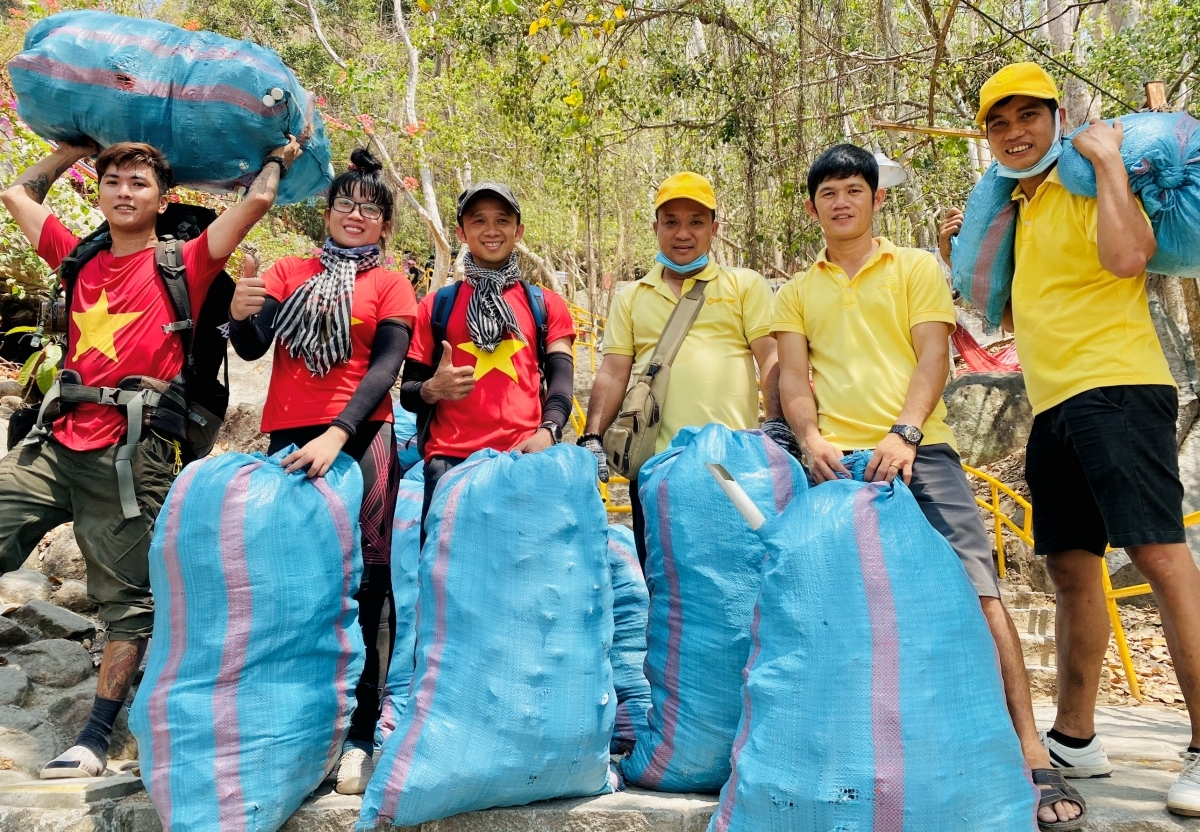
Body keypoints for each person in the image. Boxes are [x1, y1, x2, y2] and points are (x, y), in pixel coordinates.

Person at [775, 142, 1084, 830]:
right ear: (813, 208)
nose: (842, 202)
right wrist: (811, 439)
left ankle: (1031, 753)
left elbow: (933, 355)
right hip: (835, 467)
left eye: (854, 190)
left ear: (875, 199)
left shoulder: (914, 267)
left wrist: (906, 432)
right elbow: (793, 379)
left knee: (980, 592)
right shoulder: (795, 292)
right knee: (825, 612)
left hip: (922, 453)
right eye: (828, 194)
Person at [941, 62, 1200, 818]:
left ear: (1058, 118)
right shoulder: (1016, 209)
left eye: (1029, 115)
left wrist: (1112, 161)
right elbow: (1024, 318)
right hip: (1054, 405)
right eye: (999, 121)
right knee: (1071, 570)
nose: (1015, 132)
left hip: (1118, 388)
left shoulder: (1089, 180)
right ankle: (1077, 737)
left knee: (1159, 556)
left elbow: (1128, 259)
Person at [0, 136, 300, 778]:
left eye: (139, 183)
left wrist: (280, 155)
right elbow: (16, 193)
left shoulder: (186, 261)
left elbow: (261, 200)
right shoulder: (77, 257)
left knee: (128, 602)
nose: (124, 192)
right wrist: (71, 149)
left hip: (132, 455)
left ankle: (95, 738)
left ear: (161, 200)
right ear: (100, 191)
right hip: (55, 440)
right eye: (112, 181)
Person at [226, 148, 417, 794]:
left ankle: (360, 736)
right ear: (326, 213)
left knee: (369, 585)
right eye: (345, 204)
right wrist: (242, 309)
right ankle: (306, 732)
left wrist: (340, 432)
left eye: (370, 208)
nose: (355, 214)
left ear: (386, 225)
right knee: (296, 583)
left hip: (363, 440)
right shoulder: (287, 271)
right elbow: (252, 344)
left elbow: (386, 367)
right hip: (288, 440)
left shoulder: (390, 285)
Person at [578, 172, 786, 568]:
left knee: (738, 571)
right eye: (671, 222)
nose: (683, 233)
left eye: (696, 222)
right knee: (663, 575)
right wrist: (591, 437)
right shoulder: (631, 297)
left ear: (714, 229)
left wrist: (777, 423)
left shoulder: (744, 285)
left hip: (729, 464)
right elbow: (613, 372)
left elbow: (771, 356)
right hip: (656, 467)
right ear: (656, 228)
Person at [399, 182, 576, 539]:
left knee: (525, 576)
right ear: (462, 233)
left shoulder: (546, 305)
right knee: (447, 581)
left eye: (502, 220)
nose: (491, 230)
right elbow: (408, 393)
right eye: (479, 221)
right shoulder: (436, 307)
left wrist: (549, 431)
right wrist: (433, 388)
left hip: (524, 460)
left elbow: (562, 383)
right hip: (449, 465)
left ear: (518, 230)